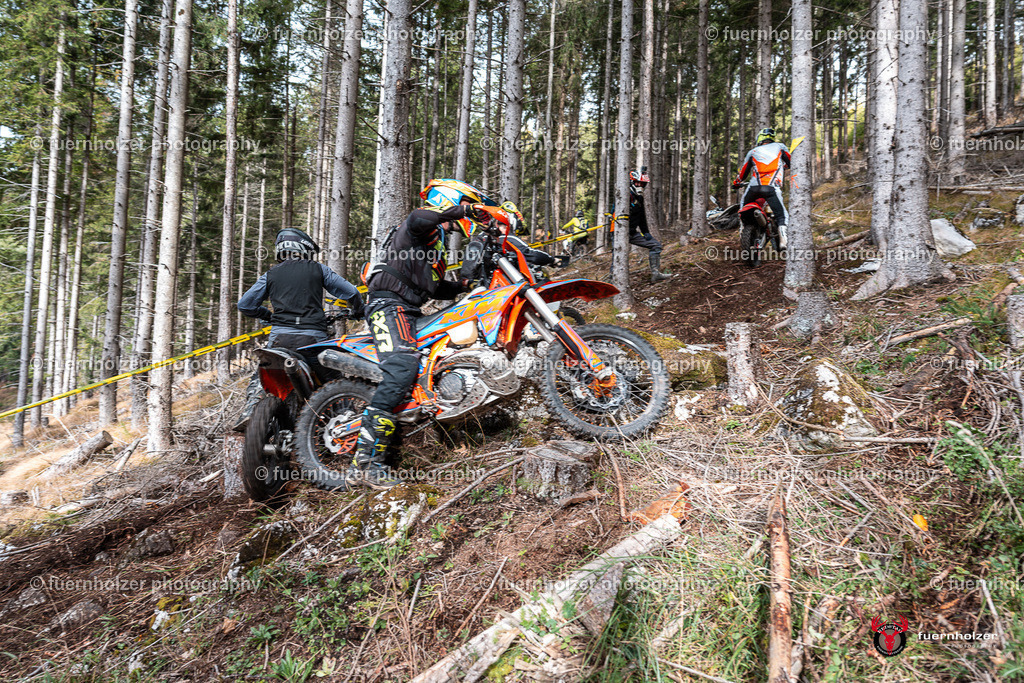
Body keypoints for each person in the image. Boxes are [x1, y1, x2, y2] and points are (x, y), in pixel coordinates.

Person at [350, 201, 493, 489]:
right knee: (402, 367)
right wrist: (461, 211)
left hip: (409, 309)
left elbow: (433, 287)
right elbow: (417, 217)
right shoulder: (418, 229)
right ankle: (365, 463)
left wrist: (465, 287)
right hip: (388, 306)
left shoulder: (432, 247)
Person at [234, 228, 364, 431]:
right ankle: (345, 421)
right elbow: (351, 292)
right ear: (305, 248)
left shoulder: (271, 274)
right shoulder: (318, 269)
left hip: (279, 340)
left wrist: (268, 316)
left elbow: (245, 305)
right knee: (333, 379)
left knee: (260, 375)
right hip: (312, 340)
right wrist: (358, 310)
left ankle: (250, 411)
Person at [732, 127, 791, 248]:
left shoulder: (753, 152)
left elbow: (743, 173)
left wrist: (736, 183)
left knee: (743, 205)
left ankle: (742, 229)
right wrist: (783, 166)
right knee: (782, 215)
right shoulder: (780, 147)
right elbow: (791, 162)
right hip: (771, 188)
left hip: (753, 189)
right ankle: (784, 240)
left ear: (759, 139)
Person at [628, 169, 672, 283]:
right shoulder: (625, 197)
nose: (640, 186)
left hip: (632, 233)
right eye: (638, 183)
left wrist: (646, 232)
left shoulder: (639, 198)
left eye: (643, 184)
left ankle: (656, 274)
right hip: (618, 232)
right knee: (617, 256)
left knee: (655, 245)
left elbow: (641, 217)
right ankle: (614, 279)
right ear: (632, 182)